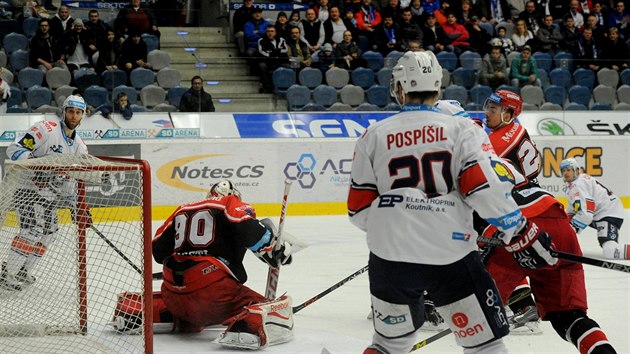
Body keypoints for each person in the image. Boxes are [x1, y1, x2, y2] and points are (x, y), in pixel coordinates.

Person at [348, 50, 556, 354]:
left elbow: (358, 210)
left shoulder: (373, 135)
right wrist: (521, 231)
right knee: (484, 345)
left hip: (390, 258)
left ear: (401, 87)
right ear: (437, 86)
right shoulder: (461, 130)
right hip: (451, 253)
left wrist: (396, 226)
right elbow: (484, 191)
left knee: (387, 344)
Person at [151, 180, 294, 349]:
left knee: (185, 302)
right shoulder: (228, 202)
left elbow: (158, 251)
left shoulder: (182, 209)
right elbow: (247, 228)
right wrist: (272, 245)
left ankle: (161, 313)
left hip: (173, 297)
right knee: (275, 307)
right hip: (215, 297)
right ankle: (247, 327)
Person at [0, 95, 90, 291]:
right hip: (25, 188)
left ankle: (23, 270)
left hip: (48, 196)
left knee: (50, 233)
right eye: (70, 111)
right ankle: (7, 273)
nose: (73, 116)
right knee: (32, 230)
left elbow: (71, 179)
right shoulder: (45, 130)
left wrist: (78, 205)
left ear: (83, 115)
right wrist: (37, 166)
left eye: (78, 112)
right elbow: (15, 149)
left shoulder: (79, 146)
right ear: (64, 111)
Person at [560, 158, 630, 260]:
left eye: (568, 170)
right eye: (563, 170)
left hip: (608, 213)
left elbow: (586, 215)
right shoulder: (573, 185)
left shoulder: (579, 185)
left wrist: (570, 230)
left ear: (576, 170)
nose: (566, 173)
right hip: (602, 213)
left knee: (610, 251)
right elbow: (573, 211)